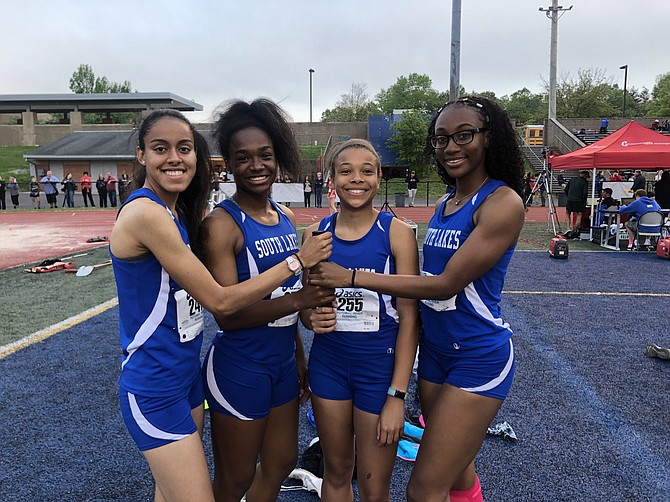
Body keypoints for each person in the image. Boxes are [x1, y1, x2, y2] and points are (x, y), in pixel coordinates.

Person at [309, 95, 526, 502]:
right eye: (442, 139)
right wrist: (311, 314)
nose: (451, 147)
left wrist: (355, 276)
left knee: (424, 490)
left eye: (464, 135)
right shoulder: (447, 203)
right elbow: (314, 300)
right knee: (458, 472)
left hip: (477, 355)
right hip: (437, 354)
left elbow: (444, 285)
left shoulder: (502, 202)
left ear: (488, 138)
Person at [109, 108, 332, 502]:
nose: (174, 158)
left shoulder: (177, 213)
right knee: (216, 487)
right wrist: (299, 263)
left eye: (183, 148)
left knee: (177, 491)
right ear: (142, 155)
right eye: (160, 149)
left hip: (186, 376)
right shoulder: (147, 213)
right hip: (156, 385)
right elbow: (222, 304)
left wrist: (298, 346)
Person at [197, 98, 335, 502]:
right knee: (234, 480)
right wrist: (301, 299)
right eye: (243, 158)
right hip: (240, 366)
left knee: (279, 462)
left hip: (280, 364)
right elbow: (228, 316)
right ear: (229, 164)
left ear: (278, 157)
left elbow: (289, 297)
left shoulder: (286, 217)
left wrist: (299, 357)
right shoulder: (221, 226)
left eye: (265, 155)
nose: (256, 165)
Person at [301, 139, 419, 501]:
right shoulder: (315, 235)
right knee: (336, 473)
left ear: (379, 178)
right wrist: (310, 318)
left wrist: (397, 396)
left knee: (373, 484)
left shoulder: (397, 233)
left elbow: (411, 319)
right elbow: (306, 307)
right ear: (331, 179)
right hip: (329, 368)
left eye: (366, 170)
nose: (357, 179)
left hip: (378, 372)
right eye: (346, 171)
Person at [564, 170, 589, 234]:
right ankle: (575, 230)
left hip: (570, 199)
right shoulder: (584, 182)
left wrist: (569, 196)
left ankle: (568, 228)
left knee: (567, 213)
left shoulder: (572, 180)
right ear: (585, 176)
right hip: (579, 200)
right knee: (579, 214)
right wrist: (584, 201)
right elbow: (585, 193)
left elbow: (566, 189)